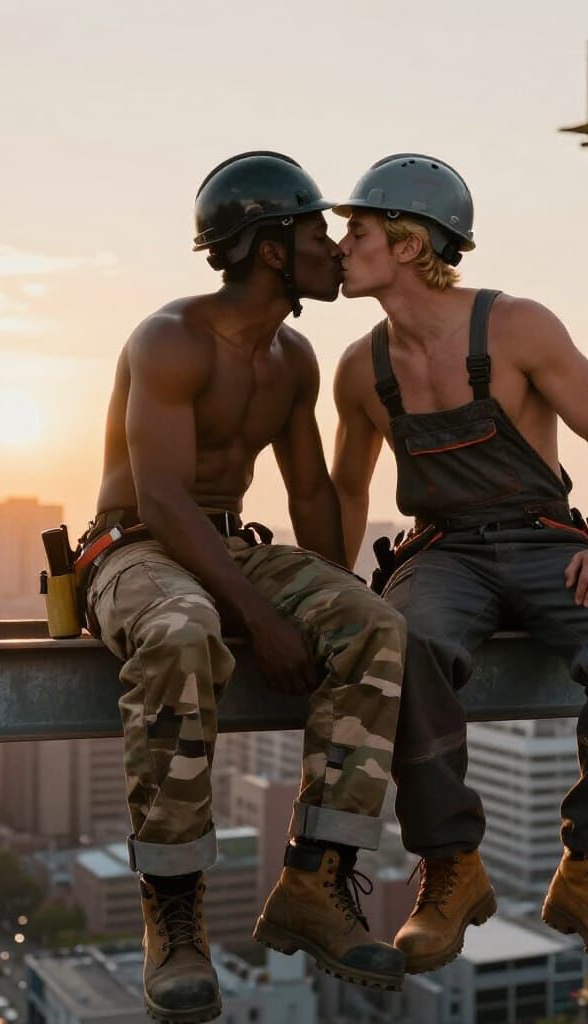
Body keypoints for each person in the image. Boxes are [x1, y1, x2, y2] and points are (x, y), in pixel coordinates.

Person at [330, 153, 588, 978]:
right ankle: (451, 869)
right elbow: (346, 490)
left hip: (547, 538)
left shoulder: (516, 325)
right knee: (401, 640)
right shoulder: (360, 370)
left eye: (359, 229)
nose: (342, 244)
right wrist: (329, 583)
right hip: (445, 551)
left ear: (411, 245)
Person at [80, 152, 407, 1022]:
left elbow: (307, 494)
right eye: (313, 233)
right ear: (270, 250)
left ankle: (316, 880)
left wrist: (331, 602)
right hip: (135, 550)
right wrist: (261, 620)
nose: (334, 248)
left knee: (374, 624)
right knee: (185, 628)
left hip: (227, 544)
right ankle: (174, 913)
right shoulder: (170, 340)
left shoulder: (293, 357)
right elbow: (163, 500)